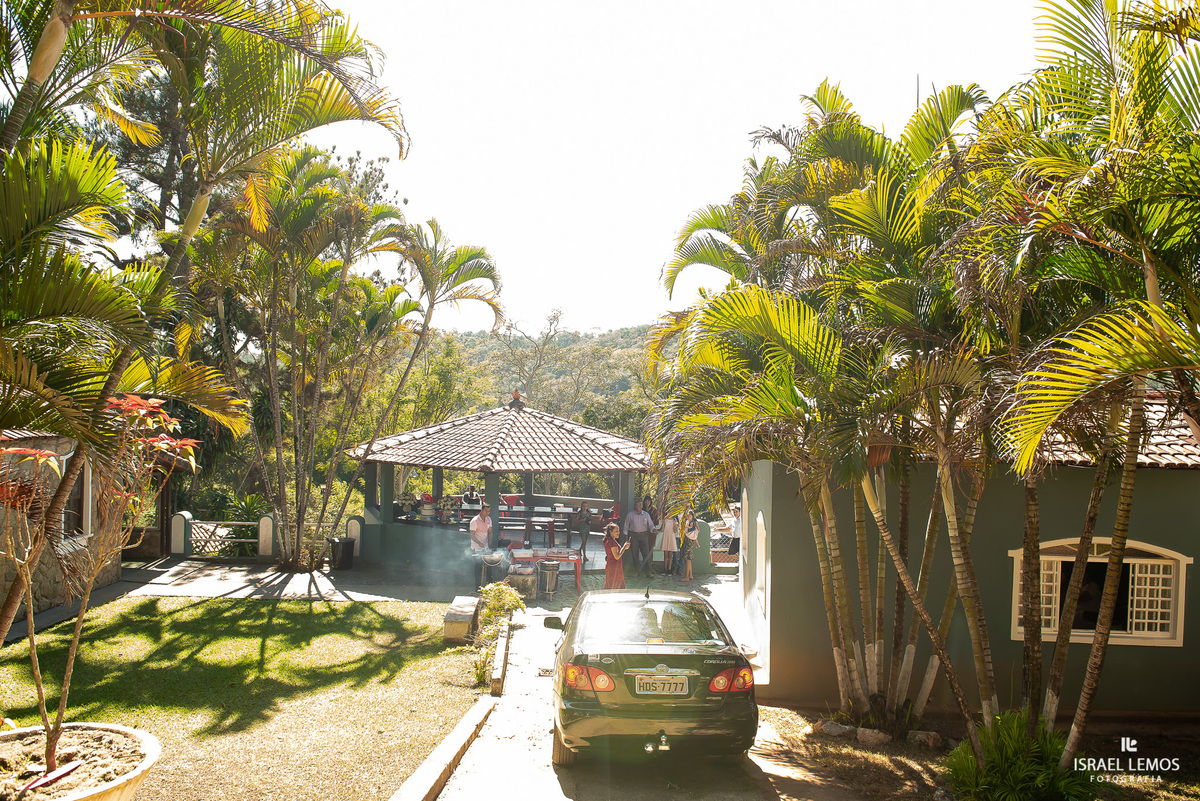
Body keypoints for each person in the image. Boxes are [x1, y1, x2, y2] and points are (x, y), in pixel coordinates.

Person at [623, 499, 656, 578]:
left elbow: (650, 525)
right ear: (635, 506)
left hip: (644, 535)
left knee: (646, 553)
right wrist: (626, 538)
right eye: (637, 505)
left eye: (640, 505)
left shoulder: (646, 515)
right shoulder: (630, 514)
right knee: (635, 554)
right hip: (633, 535)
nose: (638, 507)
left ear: (642, 506)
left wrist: (654, 529)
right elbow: (626, 526)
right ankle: (637, 571)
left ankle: (648, 572)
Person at [469, 502, 492, 589]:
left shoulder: (489, 519)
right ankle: (477, 587)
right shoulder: (474, 521)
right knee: (478, 568)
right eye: (486, 511)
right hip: (476, 548)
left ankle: (489, 587)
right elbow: (472, 535)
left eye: (489, 511)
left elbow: (490, 532)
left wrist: (489, 541)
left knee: (488, 568)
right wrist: (479, 543)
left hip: (485, 548)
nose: (487, 513)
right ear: (481, 510)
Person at [602, 523, 628, 589]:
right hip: (614, 567)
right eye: (616, 531)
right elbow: (616, 556)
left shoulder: (610, 540)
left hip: (613, 566)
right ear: (610, 532)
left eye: (618, 531)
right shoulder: (611, 542)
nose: (618, 533)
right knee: (614, 585)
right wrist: (624, 548)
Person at [680, 507, 699, 581]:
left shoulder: (693, 521)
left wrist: (691, 533)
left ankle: (686, 576)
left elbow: (698, 530)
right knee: (688, 558)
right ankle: (690, 575)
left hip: (690, 540)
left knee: (687, 558)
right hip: (687, 539)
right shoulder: (688, 521)